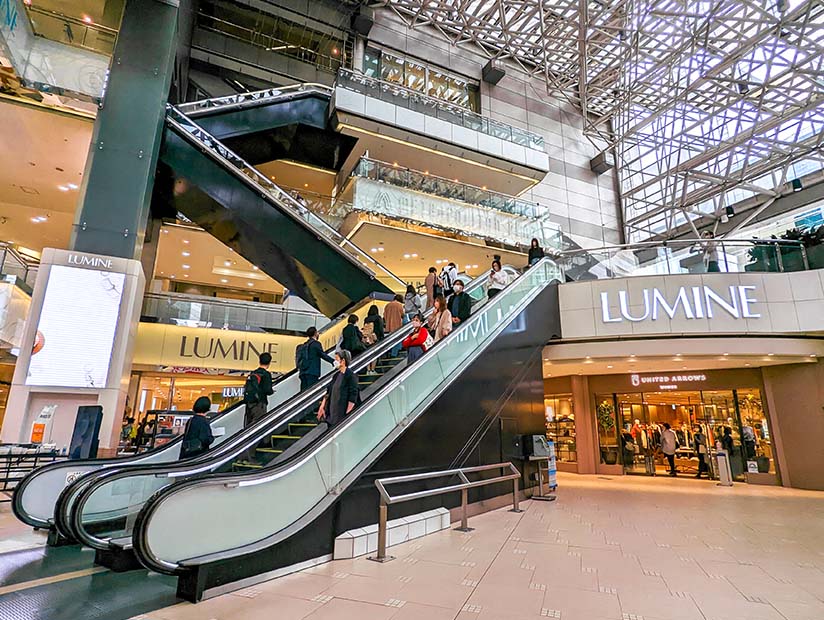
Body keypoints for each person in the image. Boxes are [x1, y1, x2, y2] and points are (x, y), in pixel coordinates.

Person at [318, 350, 360, 427]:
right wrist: (322, 406)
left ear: (343, 361)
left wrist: (347, 414)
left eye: (336, 359)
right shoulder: (336, 375)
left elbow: (353, 396)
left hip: (341, 415)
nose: (335, 362)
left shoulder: (350, 376)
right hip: (331, 415)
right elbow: (329, 391)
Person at [296, 326, 334, 391]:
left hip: (303, 372)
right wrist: (333, 361)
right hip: (312, 372)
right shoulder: (316, 344)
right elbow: (323, 355)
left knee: (303, 393)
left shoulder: (304, 345)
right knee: (311, 392)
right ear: (315, 333)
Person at [243, 352, 274, 428]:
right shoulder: (266, 374)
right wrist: (272, 391)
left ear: (259, 361)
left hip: (250, 403)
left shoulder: (253, 373)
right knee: (258, 425)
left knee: (249, 425)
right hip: (260, 403)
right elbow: (268, 390)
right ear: (269, 362)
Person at [362, 305, 385, 374]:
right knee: (375, 354)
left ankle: (368, 370)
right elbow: (380, 329)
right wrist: (382, 337)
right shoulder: (378, 318)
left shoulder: (366, 319)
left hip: (367, 338)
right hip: (375, 338)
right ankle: (372, 370)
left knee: (368, 354)